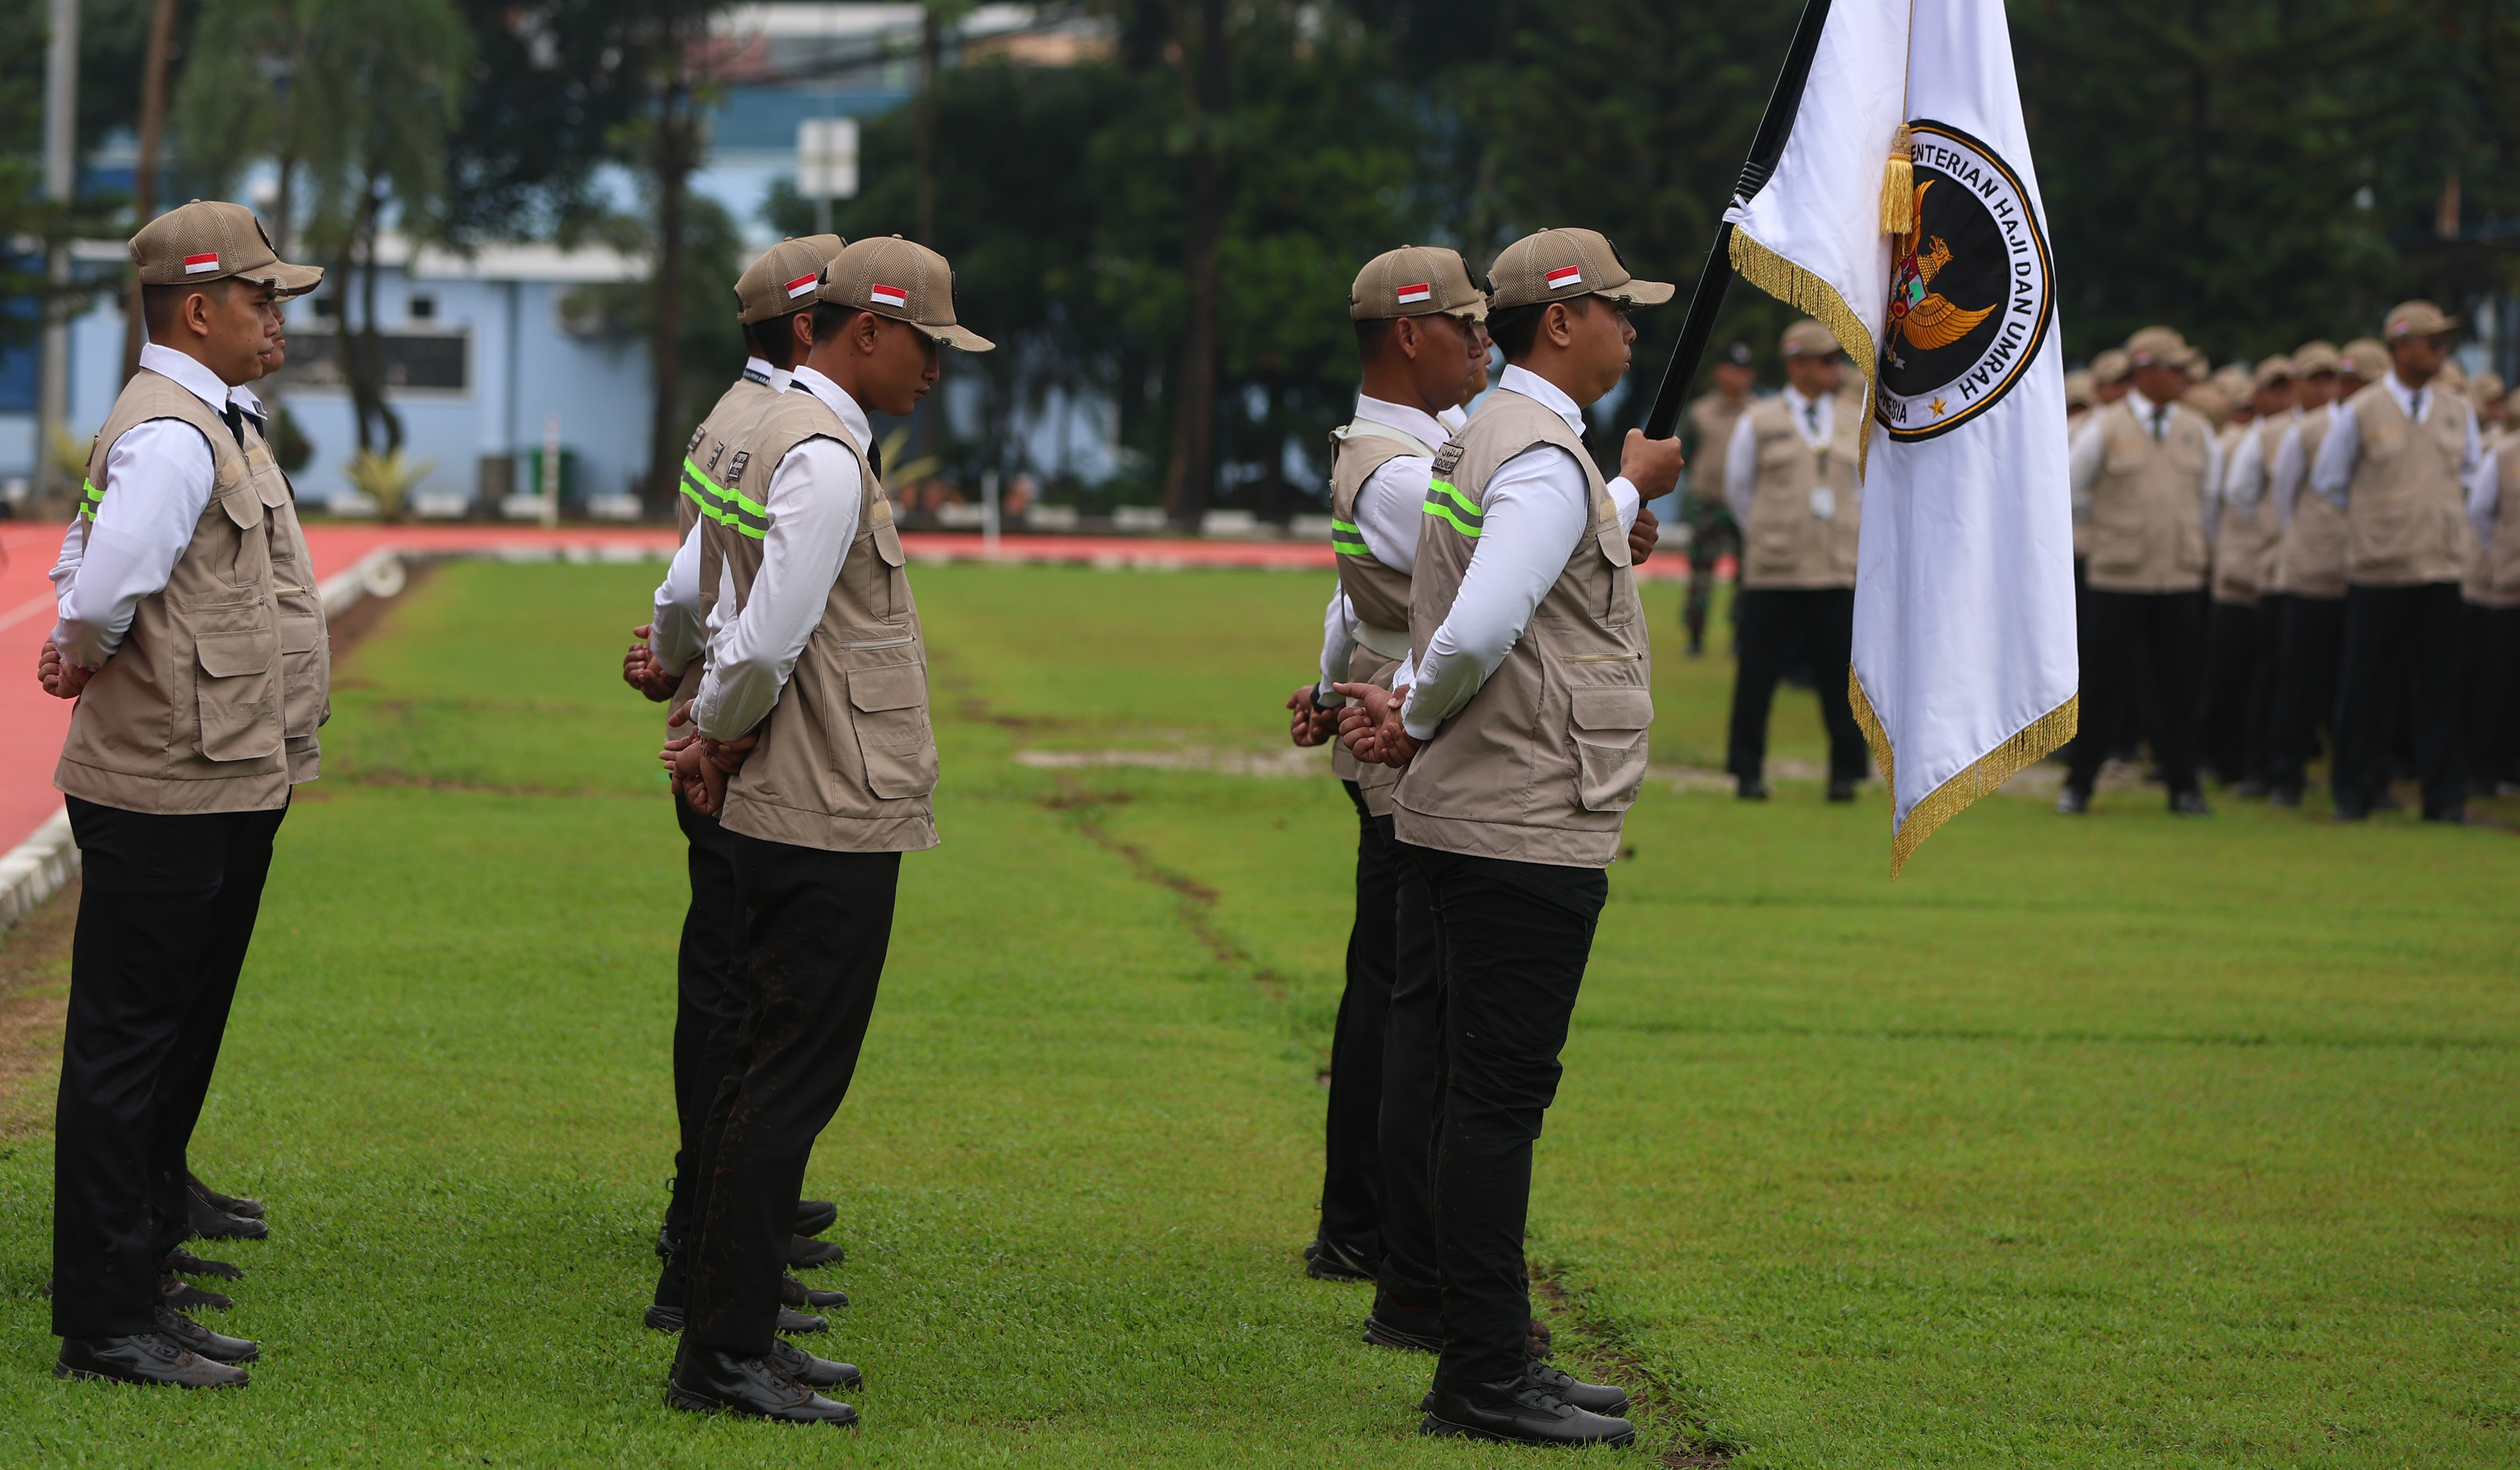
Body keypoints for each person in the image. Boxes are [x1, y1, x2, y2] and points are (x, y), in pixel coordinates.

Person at [1336, 227, 1677, 1447]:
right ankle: (1484, 1372)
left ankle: (1480, 1350)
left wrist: (1407, 709)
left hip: (1483, 811)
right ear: (1564, 321)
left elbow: (1457, 611)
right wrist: (1419, 717)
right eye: (1620, 312)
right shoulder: (1536, 456)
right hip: (1519, 819)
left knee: (1472, 1092)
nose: (1633, 332)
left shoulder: (1489, 435)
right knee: (1496, 1101)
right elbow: (1481, 626)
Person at [659, 236, 990, 1425]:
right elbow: (764, 639)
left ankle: (727, 1333)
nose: (938, 371)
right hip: (823, 804)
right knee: (790, 1078)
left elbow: (713, 599)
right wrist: (715, 730)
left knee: (760, 1065)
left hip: (787, 799)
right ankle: (726, 1355)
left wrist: (711, 727)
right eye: (929, 344)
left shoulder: (761, 426)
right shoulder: (826, 459)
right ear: (866, 331)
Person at [34, 200, 324, 1388]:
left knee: (157, 1043)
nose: (279, 318)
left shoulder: (202, 415)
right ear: (198, 310)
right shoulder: (174, 432)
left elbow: (83, 550)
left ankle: (137, 1267)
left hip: (205, 773)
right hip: (163, 779)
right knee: (125, 1049)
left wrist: (81, 625)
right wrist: (80, 642)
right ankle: (105, 1316)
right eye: (263, 299)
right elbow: (103, 580)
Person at [628, 236, 851, 1340]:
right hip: (745, 740)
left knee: (725, 986)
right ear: (814, 328)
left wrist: (672, 662)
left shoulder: (731, 414)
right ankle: (709, 1229)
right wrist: (705, 710)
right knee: (744, 1002)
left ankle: (721, 1218)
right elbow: (706, 589)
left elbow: (683, 584)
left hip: (716, 717)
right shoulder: (786, 433)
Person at [1284, 244, 1487, 1294]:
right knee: (1407, 993)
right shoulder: (1402, 472)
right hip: (1407, 740)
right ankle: (1372, 1226)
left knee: (1392, 981)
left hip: (1374, 712)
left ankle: (1360, 1219)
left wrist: (1323, 687)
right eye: (1467, 323)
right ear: (1410, 333)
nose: (1484, 340)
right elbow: (1510, 571)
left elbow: (1350, 604)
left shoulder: (1418, 448)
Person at [2310, 301, 2485, 822]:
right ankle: (2354, 789)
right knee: (2365, 685)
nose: (2440, 351)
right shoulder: (2363, 410)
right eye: (2430, 341)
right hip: (2379, 570)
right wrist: (2379, 522)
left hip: (2439, 567)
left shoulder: (2459, 409)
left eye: (2442, 342)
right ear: (2400, 347)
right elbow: (2330, 481)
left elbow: (2471, 478)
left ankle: (2443, 796)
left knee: (2440, 687)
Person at [2059, 326, 2222, 815]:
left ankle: (2183, 787)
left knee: (2179, 687)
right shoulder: (2105, 427)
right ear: (2147, 371)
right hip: (2119, 575)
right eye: (2176, 369)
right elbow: (2073, 492)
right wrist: (2111, 534)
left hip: (2178, 575)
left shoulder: (2196, 429)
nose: (2185, 379)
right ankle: (2080, 783)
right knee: (2104, 684)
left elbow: (2210, 499)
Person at [1722, 319, 1867, 802]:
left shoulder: (1854, 417)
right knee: (1758, 675)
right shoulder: (1758, 419)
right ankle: (1746, 772)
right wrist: (1772, 535)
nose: (1836, 370)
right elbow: (1738, 491)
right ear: (1796, 364)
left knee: (1839, 678)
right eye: (1827, 361)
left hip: (1834, 568)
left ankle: (1846, 774)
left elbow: (1864, 491)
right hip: (1775, 571)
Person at [2264, 340, 2358, 805]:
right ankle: (2287, 775)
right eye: (2314, 378)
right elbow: (2283, 494)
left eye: (2329, 378)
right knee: (2299, 679)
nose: (2323, 387)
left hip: (2360, 570)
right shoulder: (2300, 432)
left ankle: (2360, 776)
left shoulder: (2354, 421)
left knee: (2356, 682)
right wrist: (2302, 537)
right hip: (2310, 570)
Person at [2200, 355, 2294, 791]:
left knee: (2270, 674)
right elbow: (2229, 499)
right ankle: (2224, 757)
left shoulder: (2289, 435)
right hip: (2241, 571)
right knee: (2231, 675)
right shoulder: (2245, 441)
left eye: (2287, 387)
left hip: (2280, 573)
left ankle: (2258, 760)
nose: (2283, 396)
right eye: (2274, 388)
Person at [1678, 342, 1755, 657]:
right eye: (1733, 370)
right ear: (1719, 373)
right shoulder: (1700, 413)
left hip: (1745, 506)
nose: (1740, 377)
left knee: (1747, 574)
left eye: (1745, 371)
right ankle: (1695, 636)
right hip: (1707, 503)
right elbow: (1685, 454)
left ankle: (1740, 635)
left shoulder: (1757, 415)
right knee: (1700, 574)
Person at [2466, 389, 2520, 792]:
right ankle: (2487, 766)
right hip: (2509, 588)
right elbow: (2480, 513)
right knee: (2499, 682)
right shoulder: (2503, 455)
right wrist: (2501, 557)